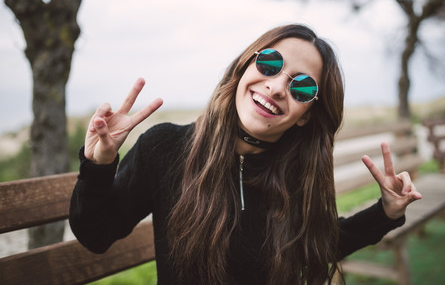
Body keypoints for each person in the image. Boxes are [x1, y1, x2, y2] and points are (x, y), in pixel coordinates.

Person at [69, 24, 422, 285]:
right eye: (270, 64)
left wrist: (385, 213)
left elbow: (317, 246)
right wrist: (98, 165)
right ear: (244, 68)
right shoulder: (165, 148)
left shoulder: (296, 171)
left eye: (301, 86)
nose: (277, 87)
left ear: (307, 116)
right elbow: (97, 234)